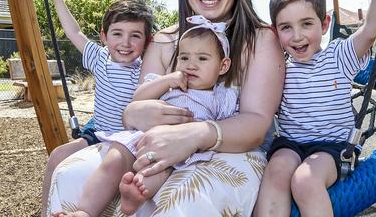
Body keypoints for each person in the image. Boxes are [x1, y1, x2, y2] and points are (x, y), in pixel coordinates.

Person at [47, 0, 285, 216]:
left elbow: (256, 123)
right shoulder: (164, 40)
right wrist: (140, 112)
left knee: (184, 199)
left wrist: (194, 135)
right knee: (69, 175)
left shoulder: (259, 40)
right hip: (151, 142)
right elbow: (132, 111)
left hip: (228, 150)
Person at [254, 0, 376, 216]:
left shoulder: (337, 56)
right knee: (276, 172)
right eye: (286, 27)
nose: (297, 36)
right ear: (275, 32)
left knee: (305, 180)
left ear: (324, 24)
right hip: (291, 144)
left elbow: (370, 30)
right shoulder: (278, 66)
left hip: (332, 148)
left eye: (306, 24)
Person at [52, 15, 238, 217]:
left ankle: (135, 195)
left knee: (158, 171)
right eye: (184, 58)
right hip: (140, 137)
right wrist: (167, 80)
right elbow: (138, 97)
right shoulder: (168, 85)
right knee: (114, 160)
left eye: (202, 58)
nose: (191, 65)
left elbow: (232, 126)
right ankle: (85, 211)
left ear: (223, 66)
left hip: (178, 148)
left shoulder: (222, 95)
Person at [40, 0, 154, 215]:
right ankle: (45, 212)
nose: (125, 42)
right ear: (104, 36)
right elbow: (74, 32)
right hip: (98, 131)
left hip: (126, 139)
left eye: (135, 36)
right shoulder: (99, 57)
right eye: (117, 34)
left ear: (147, 42)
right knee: (57, 155)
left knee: (115, 167)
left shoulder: (145, 70)